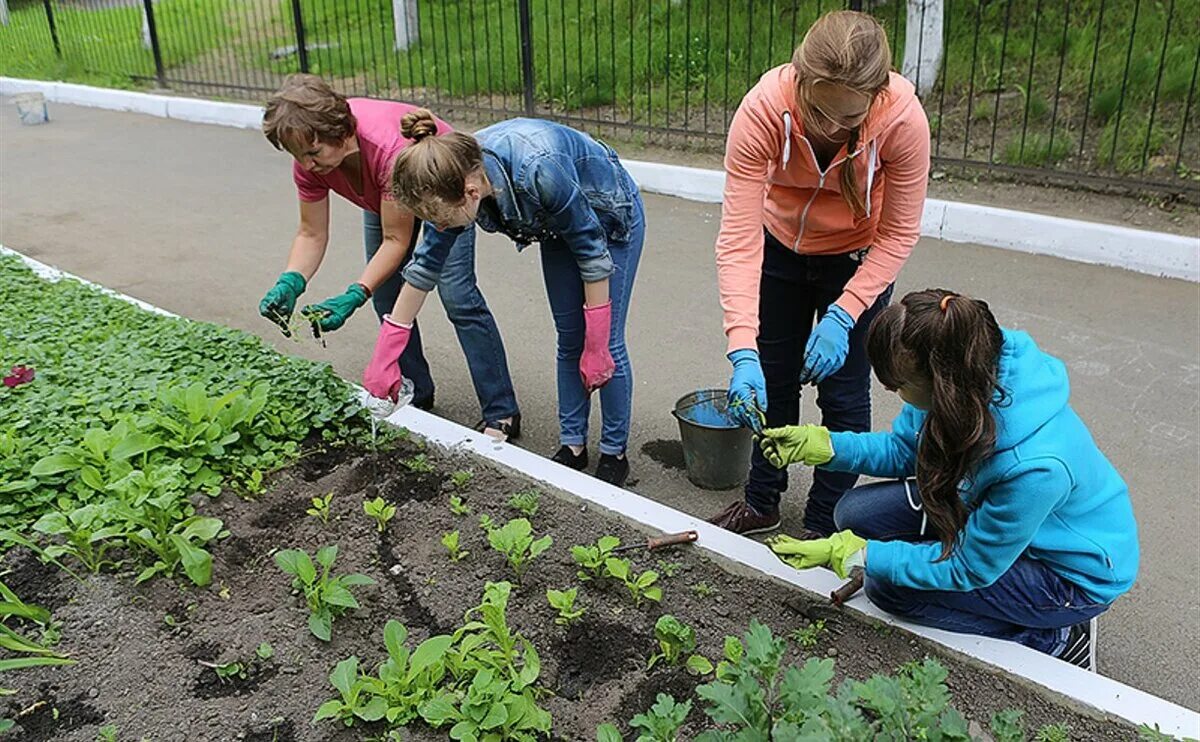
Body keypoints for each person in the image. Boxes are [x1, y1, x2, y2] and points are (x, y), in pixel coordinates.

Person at [760, 289, 1140, 670]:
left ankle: (1055, 637)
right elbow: (905, 450)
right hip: (1007, 524)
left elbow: (969, 567)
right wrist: (823, 446)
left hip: (1065, 574)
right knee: (855, 514)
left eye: (900, 383)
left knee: (889, 589)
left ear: (943, 381)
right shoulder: (967, 361)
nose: (893, 391)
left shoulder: (1035, 468)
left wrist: (862, 555)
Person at [709, 10, 930, 537]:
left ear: (876, 96)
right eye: (820, 112)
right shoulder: (764, 109)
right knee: (772, 382)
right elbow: (739, 240)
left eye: (848, 119)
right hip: (779, 247)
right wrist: (742, 349)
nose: (832, 128)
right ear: (801, 79)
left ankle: (823, 521)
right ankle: (762, 502)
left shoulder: (903, 120)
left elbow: (898, 233)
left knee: (846, 397)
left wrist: (844, 314)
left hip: (856, 261)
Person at [360, 112, 644, 487]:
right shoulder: (453, 178)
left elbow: (593, 255)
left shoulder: (539, 170)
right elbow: (424, 268)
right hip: (557, 223)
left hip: (608, 215)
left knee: (604, 344)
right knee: (569, 337)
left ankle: (613, 451)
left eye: (444, 221)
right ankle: (573, 445)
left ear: (472, 193)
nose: (440, 228)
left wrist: (597, 345)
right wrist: (387, 355)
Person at [257, 74, 521, 439]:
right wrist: (291, 280)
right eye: (299, 156)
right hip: (386, 193)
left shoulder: (386, 149)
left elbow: (397, 240)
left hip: (441, 188)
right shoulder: (311, 163)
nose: (307, 164)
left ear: (342, 133)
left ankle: (501, 410)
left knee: (458, 296)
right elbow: (311, 233)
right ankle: (412, 391)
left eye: (314, 153)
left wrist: (354, 292)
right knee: (386, 296)